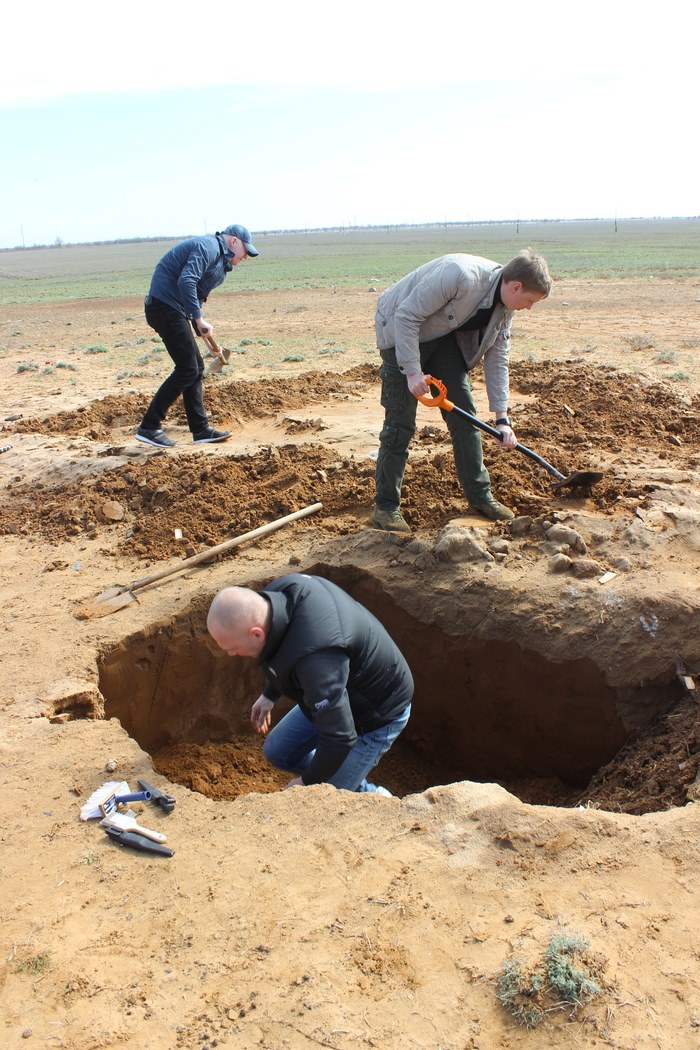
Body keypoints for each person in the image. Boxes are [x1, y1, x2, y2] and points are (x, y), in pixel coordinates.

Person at [372, 249, 552, 530]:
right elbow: (406, 315)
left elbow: (498, 357)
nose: (529, 308)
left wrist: (502, 419)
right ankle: (386, 508)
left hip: (440, 338)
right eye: (530, 301)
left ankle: (480, 496)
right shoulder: (460, 275)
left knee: (465, 416)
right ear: (516, 287)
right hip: (399, 330)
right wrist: (412, 372)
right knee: (400, 424)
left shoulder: (505, 307)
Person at [207, 573, 413, 796]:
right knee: (278, 751)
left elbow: (340, 736)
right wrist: (270, 694)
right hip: (336, 693)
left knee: (327, 798)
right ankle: (350, 780)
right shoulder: (278, 597)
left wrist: (308, 781)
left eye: (232, 648)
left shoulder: (316, 661)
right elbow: (282, 647)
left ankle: (373, 797)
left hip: (376, 713)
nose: (231, 654)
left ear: (256, 634)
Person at [136, 224, 259, 448]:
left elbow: (195, 296)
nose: (246, 257)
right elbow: (187, 281)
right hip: (164, 307)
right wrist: (199, 320)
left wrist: (202, 332)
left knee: (195, 367)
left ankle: (200, 430)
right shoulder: (208, 247)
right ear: (233, 241)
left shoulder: (220, 263)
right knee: (187, 368)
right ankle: (149, 426)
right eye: (245, 250)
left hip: (174, 310)